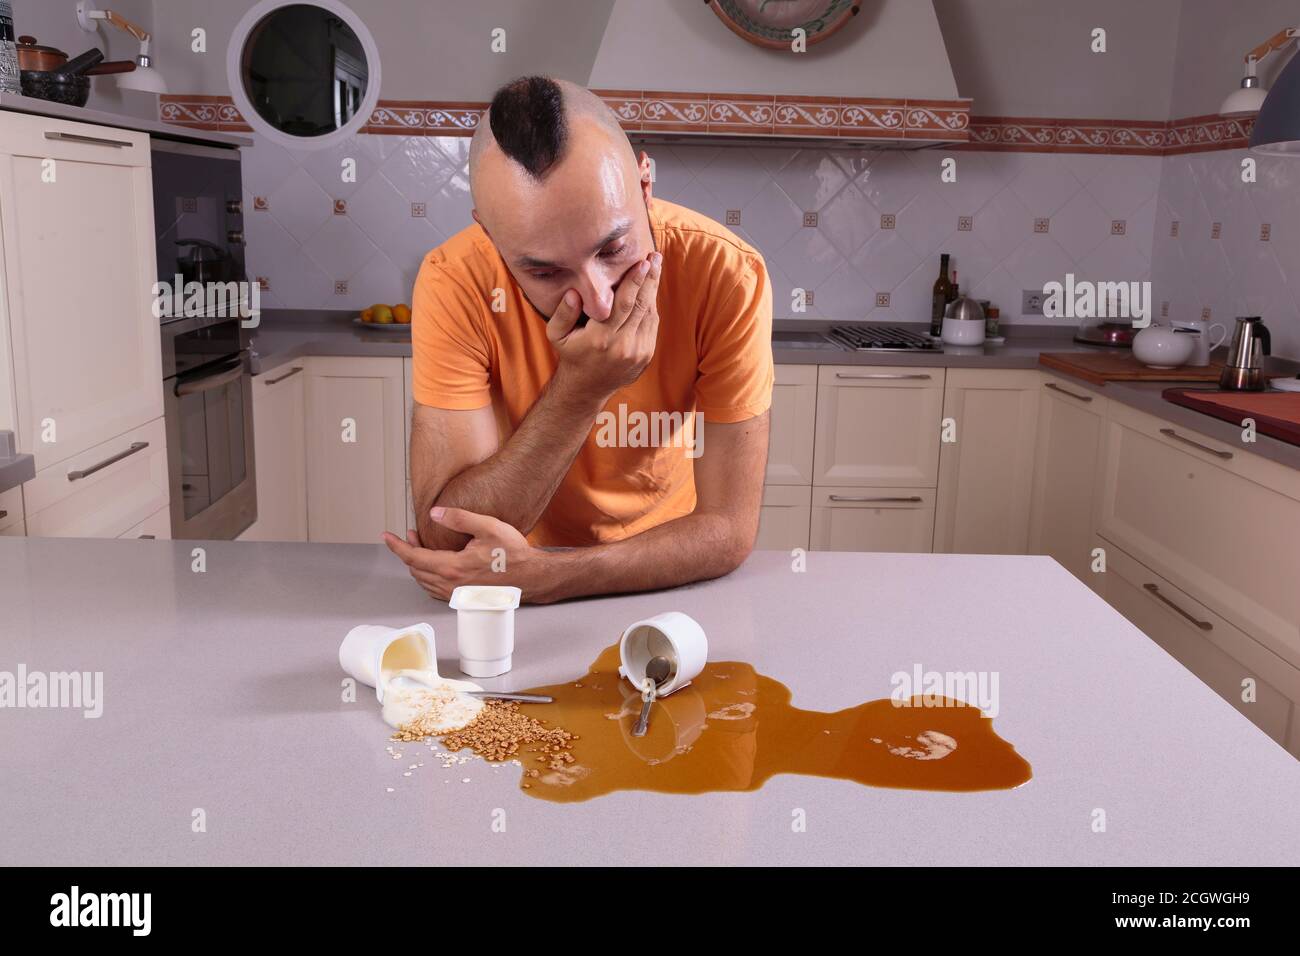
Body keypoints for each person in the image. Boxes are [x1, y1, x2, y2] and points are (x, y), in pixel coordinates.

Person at [382, 76, 773, 604]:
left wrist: (551, 577)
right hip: (502, 584)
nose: (599, 301)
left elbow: (727, 529)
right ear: (490, 237)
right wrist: (581, 389)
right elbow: (448, 538)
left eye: (613, 249)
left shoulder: (728, 272)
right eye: (545, 273)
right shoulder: (454, 279)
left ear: (644, 184)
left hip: (660, 577)